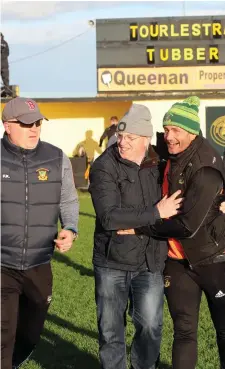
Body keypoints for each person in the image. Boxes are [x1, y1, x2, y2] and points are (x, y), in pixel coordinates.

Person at [119, 96, 225, 369]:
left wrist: (140, 225)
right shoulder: (170, 151)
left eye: (176, 130)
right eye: (166, 130)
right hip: (177, 262)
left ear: (192, 132)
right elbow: (129, 145)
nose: (169, 136)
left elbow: (188, 226)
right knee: (185, 331)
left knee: (224, 332)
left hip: (215, 259)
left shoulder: (206, 168)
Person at [89, 104, 183, 369]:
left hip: (149, 261)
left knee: (152, 328)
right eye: (120, 136)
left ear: (145, 140)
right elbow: (110, 218)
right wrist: (156, 212)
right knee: (110, 333)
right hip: (112, 262)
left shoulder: (162, 163)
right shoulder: (103, 166)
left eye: (130, 137)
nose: (122, 142)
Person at [1, 97, 79, 369]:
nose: (34, 129)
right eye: (25, 124)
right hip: (2, 264)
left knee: (31, 335)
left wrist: (70, 228)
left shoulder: (57, 158)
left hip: (39, 263)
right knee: (3, 336)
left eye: (37, 123)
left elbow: (68, 200)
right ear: (7, 125)